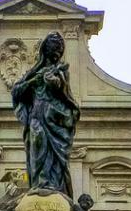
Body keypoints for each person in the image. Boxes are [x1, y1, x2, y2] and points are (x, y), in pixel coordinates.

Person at [11, 32, 80, 197]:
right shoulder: (34, 73)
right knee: (37, 148)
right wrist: (33, 82)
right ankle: (40, 182)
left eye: (59, 50)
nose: (56, 53)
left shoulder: (61, 72)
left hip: (54, 118)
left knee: (56, 158)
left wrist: (56, 84)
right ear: (45, 50)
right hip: (37, 116)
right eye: (53, 49)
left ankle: (52, 185)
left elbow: (67, 96)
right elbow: (16, 91)